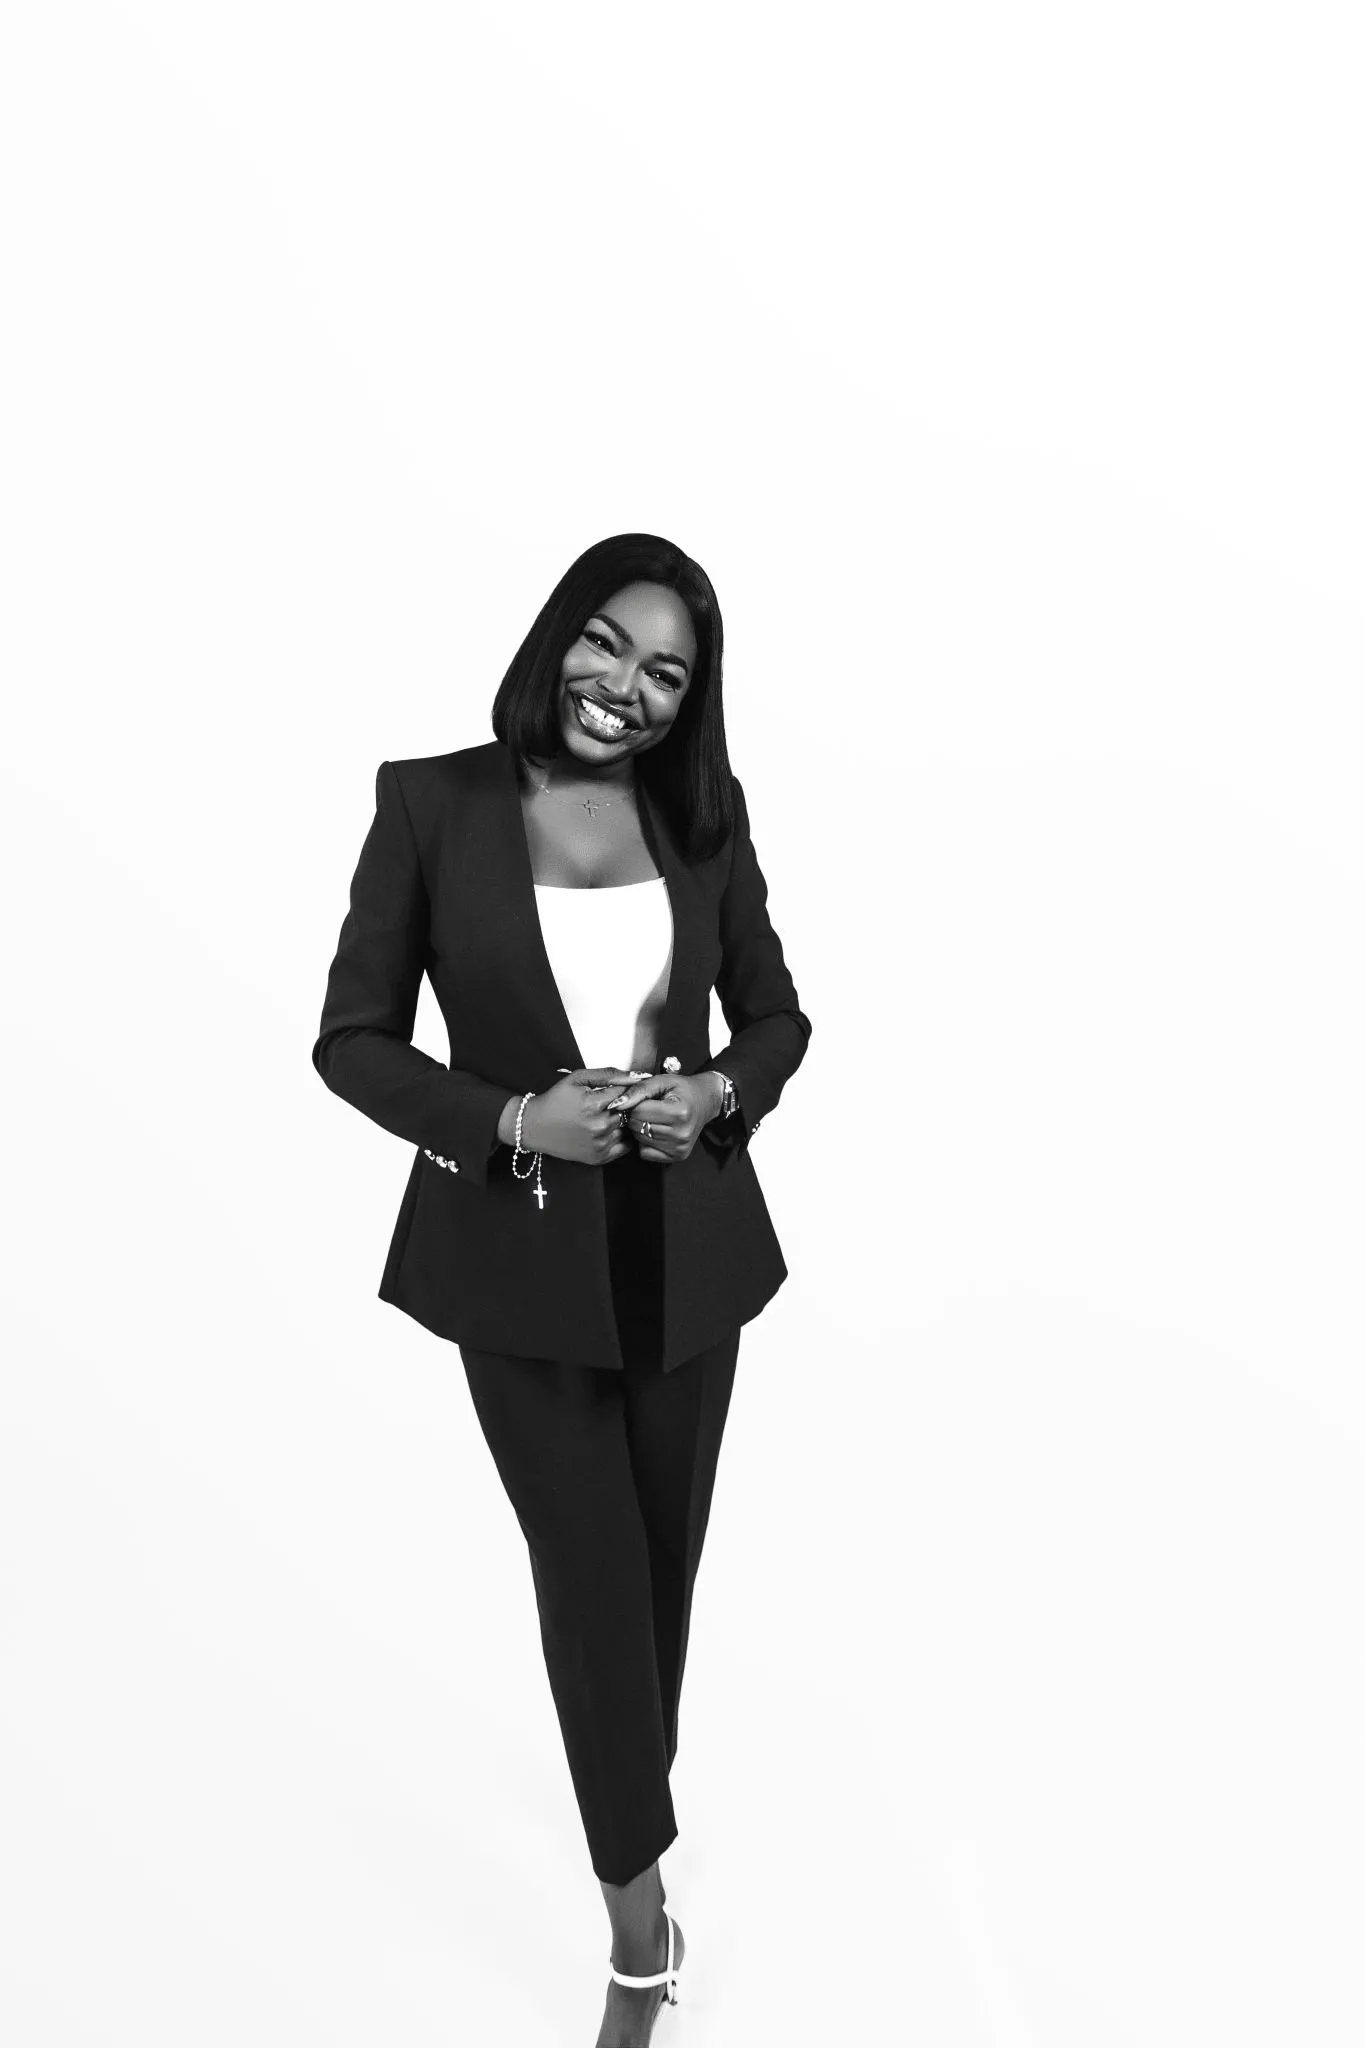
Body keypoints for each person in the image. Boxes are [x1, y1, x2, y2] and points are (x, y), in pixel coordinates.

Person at [311, 532, 811, 2046]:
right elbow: (353, 1040)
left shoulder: (702, 821)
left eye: (666, 672)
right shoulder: (433, 803)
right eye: (607, 643)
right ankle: (642, 1932)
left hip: (691, 1258)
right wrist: (512, 1121)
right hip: (517, 1267)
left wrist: (715, 1093)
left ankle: (623, 1802)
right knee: (590, 1581)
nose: (626, 689)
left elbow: (779, 1018)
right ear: (558, 633)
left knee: (654, 1587)